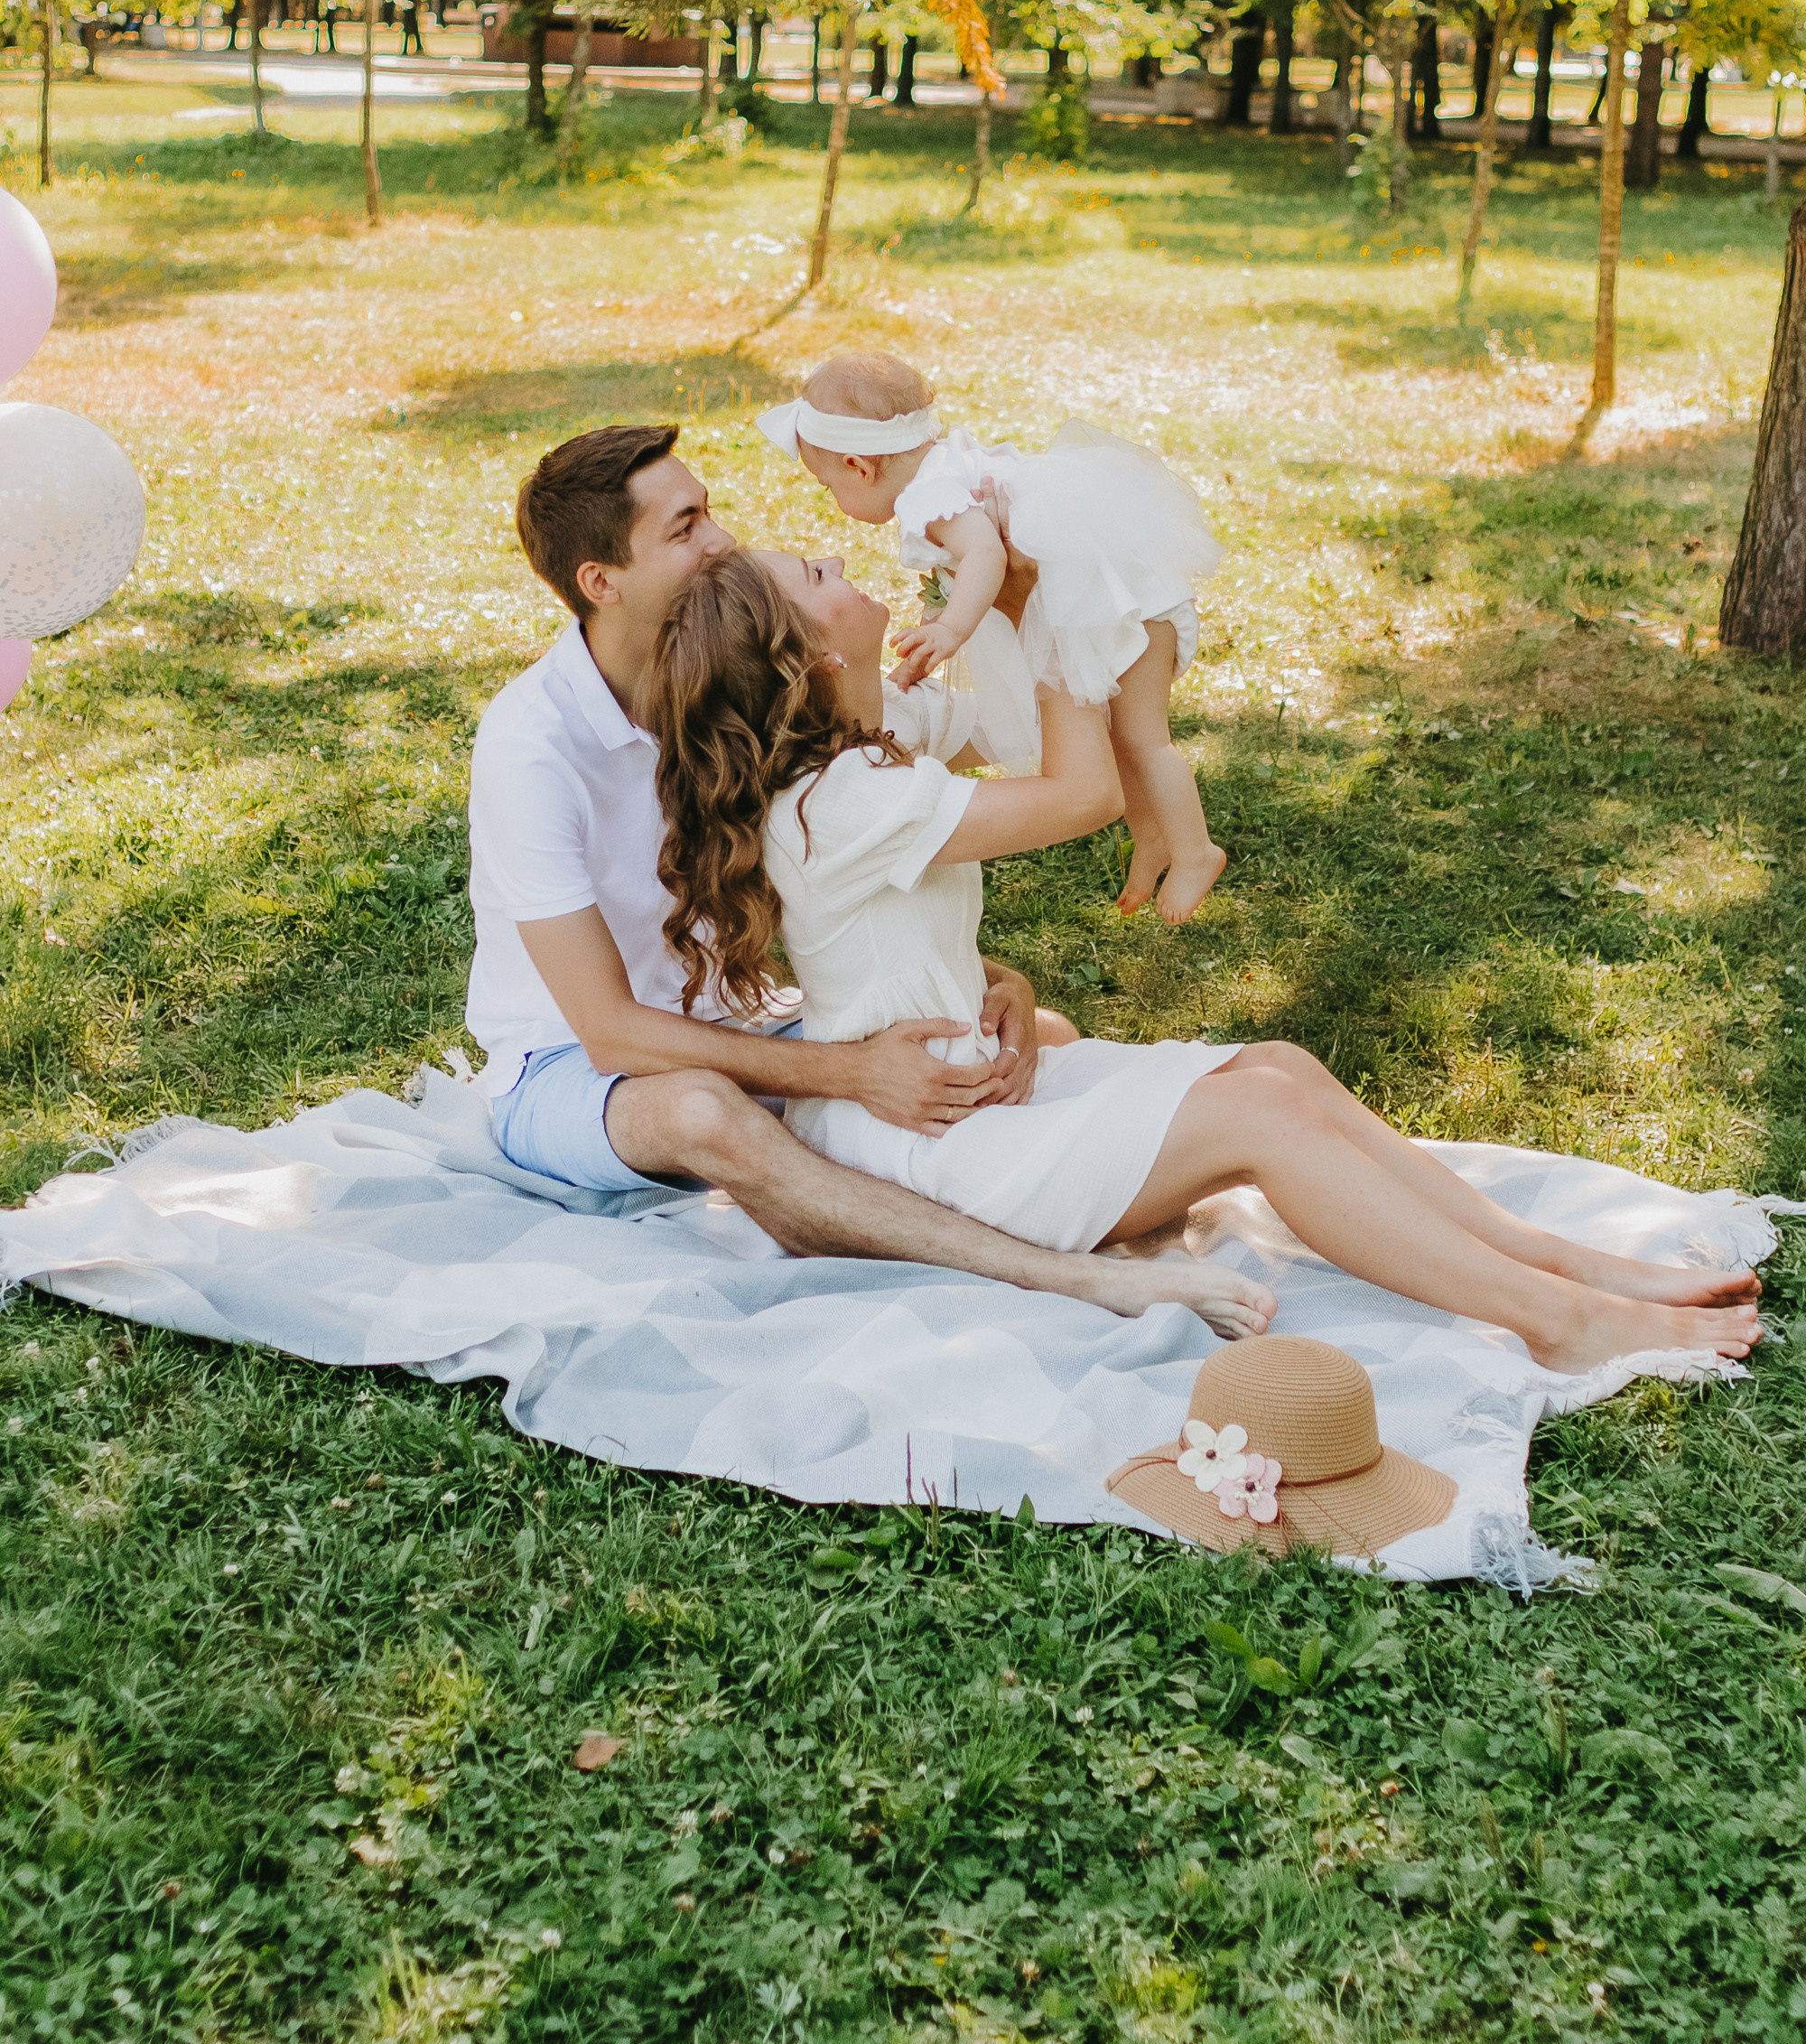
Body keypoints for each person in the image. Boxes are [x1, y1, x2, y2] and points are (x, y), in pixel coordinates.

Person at [649, 547, 1764, 1377]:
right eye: (814, 574)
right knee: (1259, 1118)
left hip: (961, 1087)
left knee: (1275, 1064)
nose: (836, 557)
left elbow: (1022, 735)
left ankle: (1559, 1263)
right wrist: (1067, 617)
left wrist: (1020, 590)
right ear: (810, 654)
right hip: (924, 1148)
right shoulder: (839, 798)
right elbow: (1082, 793)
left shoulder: (874, 732)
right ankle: (1560, 1323)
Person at [462, 422, 1274, 1335]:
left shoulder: (740, 684)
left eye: (708, 513)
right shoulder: (532, 747)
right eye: (684, 528)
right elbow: (609, 1031)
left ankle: (1044, 1196)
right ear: (601, 582)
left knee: (1023, 1041)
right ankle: (1063, 1278)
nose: (721, 541)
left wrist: (1001, 983)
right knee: (703, 1112)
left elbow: (832, 875)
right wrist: (846, 1072)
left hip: (736, 1017)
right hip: (571, 1069)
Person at [758, 350, 1224, 922]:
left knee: (1143, 736)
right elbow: (965, 571)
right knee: (1121, 735)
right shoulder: (940, 470)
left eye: (830, 487)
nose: (836, 499)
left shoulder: (927, 497)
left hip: (1128, 603)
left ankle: (1197, 852)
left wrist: (952, 628)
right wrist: (935, 631)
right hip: (1105, 599)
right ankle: (1154, 839)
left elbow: (985, 555)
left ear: (859, 467)